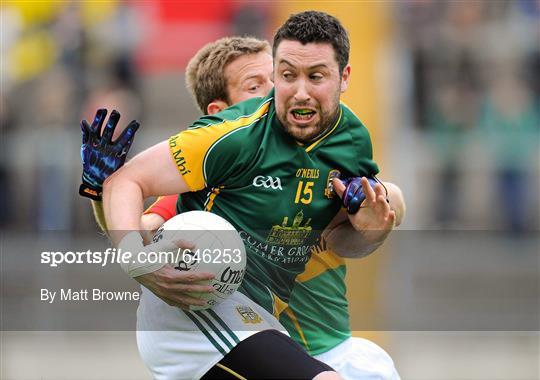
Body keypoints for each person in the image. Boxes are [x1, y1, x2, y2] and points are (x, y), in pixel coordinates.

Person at [97, 11, 400, 379]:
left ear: (344, 77)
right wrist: (139, 263)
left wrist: (372, 229)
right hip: (197, 305)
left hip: (258, 320)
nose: (299, 91)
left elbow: (342, 237)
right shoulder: (234, 136)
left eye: (316, 76)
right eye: (287, 76)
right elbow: (125, 185)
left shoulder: (350, 140)